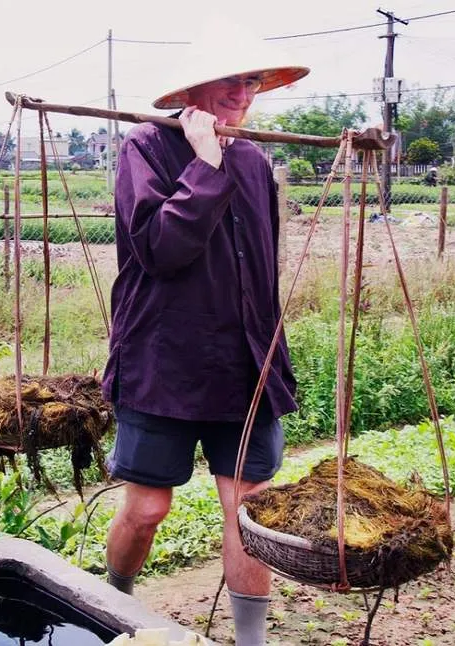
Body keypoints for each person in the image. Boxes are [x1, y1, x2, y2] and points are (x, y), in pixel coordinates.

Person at [100, 26, 309, 646]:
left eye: (251, 81)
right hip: (163, 359)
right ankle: (112, 609)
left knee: (247, 512)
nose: (242, 93)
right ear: (192, 89)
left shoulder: (254, 158)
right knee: (146, 509)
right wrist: (206, 161)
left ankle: (250, 641)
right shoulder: (146, 147)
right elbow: (160, 249)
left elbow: (262, 268)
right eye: (231, 79)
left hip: (243, 361)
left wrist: (271, 351)